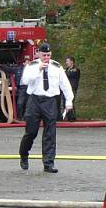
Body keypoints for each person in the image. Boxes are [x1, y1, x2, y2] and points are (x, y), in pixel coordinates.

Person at [18, 43, 73, 173]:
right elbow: (25, 81)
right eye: (44, 55)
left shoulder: (57, 67)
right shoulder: (32, 66)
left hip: (50, 101)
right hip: (34, 100)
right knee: (31, 132)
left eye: (48, 55)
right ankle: (24, 155)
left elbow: (65, 84)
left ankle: (48, 163)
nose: (46, 58)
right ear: (38, 54)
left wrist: (69, 101)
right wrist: (39, 70)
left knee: (50, 133)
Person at [64, 56, 80, 121]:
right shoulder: (67, 69)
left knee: (71, 102)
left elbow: (70, 75)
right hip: (66, 88)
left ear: (72, 62)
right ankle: (68, 117)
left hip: (72, 88)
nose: (66, 62)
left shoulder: (76, 70)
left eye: (67, 61)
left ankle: (72, 117)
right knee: (66, 102)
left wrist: (63, 73)